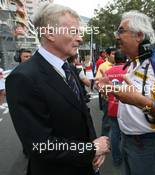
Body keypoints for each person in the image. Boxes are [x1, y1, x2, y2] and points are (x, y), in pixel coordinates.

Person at [5, 4, 109, 175]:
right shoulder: (23, 78)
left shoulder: (67, 67)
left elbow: (83, 113)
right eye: (74, 31)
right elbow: (40, 145)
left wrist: (94, 148)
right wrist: (91, 149)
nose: (80, 38)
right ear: (50, 33)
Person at [98, 10, 155, 175]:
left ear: (139, 35)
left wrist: (139, 102)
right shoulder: (133, 63)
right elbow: (135, 94)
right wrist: (111, 88)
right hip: (126, 139)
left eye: (121, 31)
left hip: (146, 144)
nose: (116, 36)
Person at [105, 50, 128, 167]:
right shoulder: (130, 70)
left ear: (115, 59)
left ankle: (116, 159)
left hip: (112, 106)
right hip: (127, 108)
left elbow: (105, 91)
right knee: (126, 134)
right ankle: (127, 158)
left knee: (114, 133)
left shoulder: (108, 72)